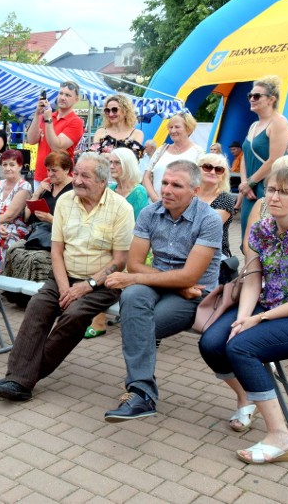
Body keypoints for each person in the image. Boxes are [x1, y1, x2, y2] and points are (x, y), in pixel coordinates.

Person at [199, 167, 288, 464]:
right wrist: (244, 316)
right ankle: (248, 395)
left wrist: (258, 320)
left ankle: (280, 436)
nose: (275, 197)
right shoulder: (262, 228)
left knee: (242, 347)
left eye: (285, 192)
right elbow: (252, 279)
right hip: (269, 305)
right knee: (211, 342)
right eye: (272, 190)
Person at [0, 152, 134, 401]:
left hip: (102, 283)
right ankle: (17, 379)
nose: (76, 180)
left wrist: (85, 286)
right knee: (37, 306)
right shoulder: (66, 201)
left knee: (74, 315)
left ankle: (24, 377)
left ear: (102, 181)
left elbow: (120, 260)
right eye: (75, 173)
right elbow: (57, 251)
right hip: (63, 276)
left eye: (84, 176)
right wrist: (66, 286)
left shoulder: (121, 208)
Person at [103, 160, 222, 422]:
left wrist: (135, 277)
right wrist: (178, 287)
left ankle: (141, 394)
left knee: (141, 324)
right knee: (133, 296)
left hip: (198, 294)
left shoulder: (209, 219)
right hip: (176, 289)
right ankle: (141, 393)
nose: (167, 190)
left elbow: (191, 276)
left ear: (195, 190)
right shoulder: (150, 212)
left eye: (176, 185)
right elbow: (134, 263)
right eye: (164, 183)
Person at [84, 147, 149, 338]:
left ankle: (98, 321)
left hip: (129, 247)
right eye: (110, 162)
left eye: (116, 162)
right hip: (108, 243)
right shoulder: (110, 189)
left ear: (127, 165)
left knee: (104, 268)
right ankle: (88, 315)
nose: (111, 166)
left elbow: (136, 229)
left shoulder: (138, 192)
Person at [2, 151, 74, 294]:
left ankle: (34, 295)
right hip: (39, 233)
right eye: (48, 170)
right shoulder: (47, 187)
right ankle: (14, 292)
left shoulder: (73, 191)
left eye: (54, 170)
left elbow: (73, 224)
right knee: (14, 249)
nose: (50, 174)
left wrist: (50, 219)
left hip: (59, 237)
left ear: (67, 170)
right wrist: (37, 192)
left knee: (34, 258)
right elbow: (27, 217)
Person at [238, 75, 288, 240]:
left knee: (266, 238)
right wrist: (244, 183)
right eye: (250, 96)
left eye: (257, 96)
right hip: (250, 189)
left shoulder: (279, 122)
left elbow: (274, 160)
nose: (252, 99)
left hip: (269, 188)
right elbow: (245, 157)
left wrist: (250, 182)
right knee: (247, 238)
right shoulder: (254, 125)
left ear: (271, 99)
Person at [27, 81, 84, 188]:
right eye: (61, 93)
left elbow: (57, 146)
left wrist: (48, 120)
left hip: (60, 179)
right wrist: (37, 114)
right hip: (40, 176)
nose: (62, 97)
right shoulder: (48, 115)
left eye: (67, 95)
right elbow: (31, 140)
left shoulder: (76, 122)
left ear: (76, 99)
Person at [142, 111, 202, 203]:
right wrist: (156, 199)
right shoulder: (161, 150)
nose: (173, 131)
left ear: (188, 129)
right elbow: (146, 177)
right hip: (155, 206)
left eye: (177, 127)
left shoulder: (198, 152)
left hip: (182, 209)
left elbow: (200, 183)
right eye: (171, 127)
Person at [0, 149, 32, 272]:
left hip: (14, 227)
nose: (8, 168)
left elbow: (10, 215)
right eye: (5, 164)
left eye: (12, 164)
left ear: (20, 166)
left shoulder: (24, 186)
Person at [197, 153, 238, 259]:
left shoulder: (225, 199)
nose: (212, 172)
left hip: (213, 252)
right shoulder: (188, 193)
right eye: (207, 167)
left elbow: (207, 227)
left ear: (222, 177)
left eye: (218, 170)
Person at [90, 93, 145, 158]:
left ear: (125, 110)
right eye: (107, 111)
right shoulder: (100, 132)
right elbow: (93, 156)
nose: (110, 114)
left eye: (114, 110)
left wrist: (104, 154)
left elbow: (133, 158)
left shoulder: (137, 133)